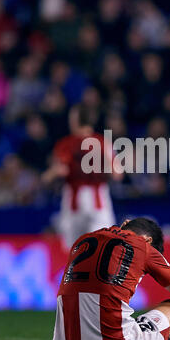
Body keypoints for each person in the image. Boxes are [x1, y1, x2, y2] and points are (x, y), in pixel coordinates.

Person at [42, 103, 120, 249]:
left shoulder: (65, 144)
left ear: (75, 120)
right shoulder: (103, 142)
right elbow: (117, 174)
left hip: (74, 199)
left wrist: (48, 176)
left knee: (75, 252)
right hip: (98, 199)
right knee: (102, 249)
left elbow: (59, 170)